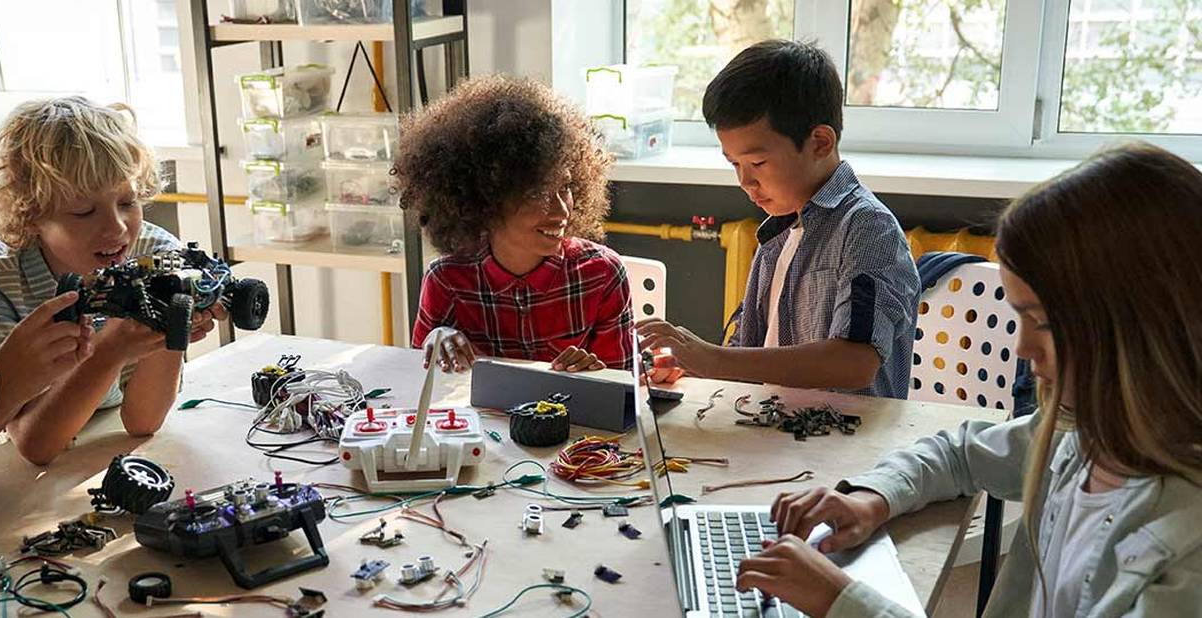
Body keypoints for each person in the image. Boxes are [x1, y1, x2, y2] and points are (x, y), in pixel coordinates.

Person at [736, 143, 1202, 617]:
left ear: (1143, 326)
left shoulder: (1187, 555)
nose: (1022, 349)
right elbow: (959, 455)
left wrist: (841, 602)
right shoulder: (1086, 435)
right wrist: (873, 498)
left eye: (1041, 322)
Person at [636, 40, 919, 398]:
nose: (745, 181)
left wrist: (712, 359)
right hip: (775, 435)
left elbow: (856, 362)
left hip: (844, 445)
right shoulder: (777, 236)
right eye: (734, 164)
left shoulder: (867, 228)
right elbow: (748, 357)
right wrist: (691, 366)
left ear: (819, 143)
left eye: (757, 163)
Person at [0, 96, 223, 464]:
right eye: (83, 211)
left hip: (103, 444)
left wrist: (171, 324)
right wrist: (110, 349)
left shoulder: (155, 251)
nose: (116, 228)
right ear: (31, 215)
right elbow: (34, 445)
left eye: (127, 203)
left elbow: (143, 422)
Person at [396, 75, 634, 373]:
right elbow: (421, 382)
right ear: (488, 198)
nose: (561, 210)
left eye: (566, 188)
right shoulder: (447, 281)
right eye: (538, 194)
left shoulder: (601, 275)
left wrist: (593, 377)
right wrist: (436, 339)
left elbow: (621, 390)